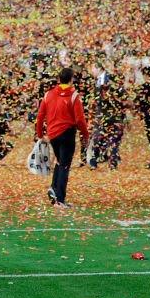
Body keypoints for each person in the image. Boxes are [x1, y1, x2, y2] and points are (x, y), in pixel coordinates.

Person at [35, 67, 89, 208]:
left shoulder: (48, 95)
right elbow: (80, 120)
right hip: (67, 133)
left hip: (53, 134)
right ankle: (60, 199)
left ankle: (54, 188)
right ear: (71, 80)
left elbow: (40, 116)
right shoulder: (73, 96)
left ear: (59, 79)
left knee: (60, 161)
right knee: (65, 165)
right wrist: (85, 135)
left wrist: (40, 134)